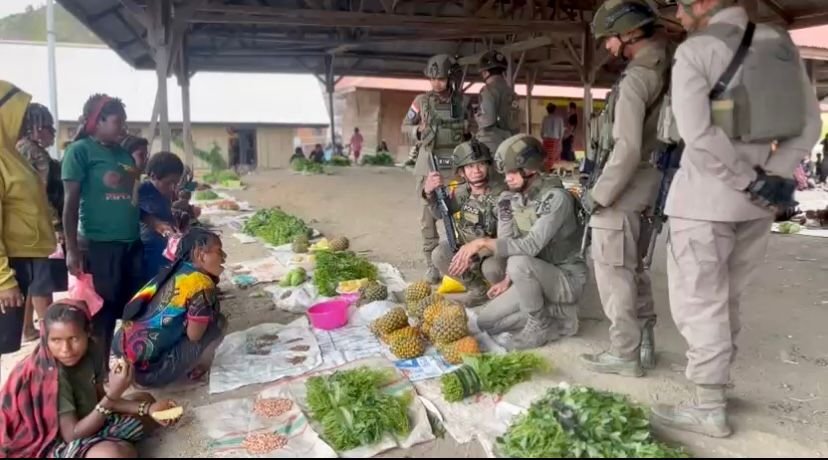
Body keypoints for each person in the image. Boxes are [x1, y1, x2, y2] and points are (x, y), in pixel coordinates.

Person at [650, 0, 822, 438]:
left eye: (683, 4)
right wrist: (772, 179)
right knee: (728, 299)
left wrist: (744, 179)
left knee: (700, 302)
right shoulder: (780, 46)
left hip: (704, 202)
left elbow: (699, 135)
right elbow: (808, 126)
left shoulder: (695, 51)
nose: (679, 12)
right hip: (759, 205)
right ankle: (719, 386)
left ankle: (708, 405)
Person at [578, 0, 671, 378]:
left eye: (610, 38)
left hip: (625, 187)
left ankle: (624, 353)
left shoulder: (636, 78)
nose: (607, 46)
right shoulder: (664, 63)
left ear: (630, 33)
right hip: (651, 183)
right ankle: (644, 340)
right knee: (634, 266)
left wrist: (598, 195)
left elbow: (627, 147)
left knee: (613, 269)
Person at [62, 93, 169, 372]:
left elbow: (131, 200)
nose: (123, 128)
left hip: (130, 243)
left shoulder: (122, 154)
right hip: (101, 245)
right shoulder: (80, 152)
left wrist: (154, 221)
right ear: (97, 122)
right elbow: (70, 204)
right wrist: (72, 249)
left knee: (134, 307)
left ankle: (131, 363)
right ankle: (99, 375)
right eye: (117, 122)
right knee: (104, 314)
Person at [453, 134, 587, 350]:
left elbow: (530, 246)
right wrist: (507, 280)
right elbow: (508, 241)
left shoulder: (557, 199)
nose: (507, 179)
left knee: (518, 263)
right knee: (487, 323)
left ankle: (540, 324)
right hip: (533, 275)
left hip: (566, 278)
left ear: (531, 169)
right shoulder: (513, 197)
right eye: (505, 173)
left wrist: (482, 243)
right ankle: (559, 315)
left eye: (513, 172)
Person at [0, 301, 179, 458]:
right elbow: (71, 434)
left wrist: (148, 409)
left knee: (147, 401)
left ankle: (111, 442)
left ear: (87, 332)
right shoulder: (50, 376)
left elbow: (99, 396)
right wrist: (114, 394)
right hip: (53, 440)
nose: (66, 349)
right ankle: (111, 445)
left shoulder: (92, 351)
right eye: (56, 340)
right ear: (45, 339)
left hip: (89, 419)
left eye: (74, 338)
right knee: (114, 454)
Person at [113, 228, 227, 388]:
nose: (224, 257)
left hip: (120, 349)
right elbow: (194, 336)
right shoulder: (200, 285)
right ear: (201, 255)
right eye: (219, 251)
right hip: (146, 373)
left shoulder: (175, 270)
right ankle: (196, 368)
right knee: (217, 323)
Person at [0, 82, 58, 377]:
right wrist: (3, 279)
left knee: (8, 340)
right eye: (17, 113)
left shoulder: (10, 153)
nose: (23, 121)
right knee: (4, 340)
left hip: (29, 252)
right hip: (12, 259)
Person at [402, 54, 470, 283]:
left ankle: (463, 259)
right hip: (429, 163)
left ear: (449, 77)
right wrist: (417, 133)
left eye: (440, 78)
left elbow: (476, 133)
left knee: (462, 212)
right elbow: (404, 127)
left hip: (457, 166)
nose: (436, 84)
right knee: (427, 217)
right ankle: (432, 264)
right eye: (432, 79)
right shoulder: (421, 101)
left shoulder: (463, 102)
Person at [423, 140, 506, 306]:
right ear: (461, 172)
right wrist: (429, 193)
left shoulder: (501, 196)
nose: (476, 171)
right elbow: (441, 212)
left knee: (493, 270)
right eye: (470, 166)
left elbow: (508, 241)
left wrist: (476, 254)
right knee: (439, 254)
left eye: (481, 164)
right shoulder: (462, 192)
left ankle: (507, 295)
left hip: (495, 253)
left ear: (488, 166)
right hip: (467, 250)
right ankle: (478, 291)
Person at [16, 103, 67, 343]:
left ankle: (26, 329)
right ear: (35, 128)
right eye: (49, 128)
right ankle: (50, 335)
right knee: (41, 283)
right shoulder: (32, 152)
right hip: (38, 227)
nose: (53, 133)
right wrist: (57, 227)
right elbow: (41, 194)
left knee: (28, 282)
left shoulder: (17, 149)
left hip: (24, 228)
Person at [139, 152, 185, 282]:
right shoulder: (143, 191)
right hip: (150, 250)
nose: (172, 188)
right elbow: (146, 216)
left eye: (176, 183)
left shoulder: (163, 191)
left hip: (165, 248)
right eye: (169, 183)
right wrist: (161, 226)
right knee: (154, 284)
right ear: (153, 176)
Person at [474, 50, 520, 154]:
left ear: (485, 72)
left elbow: (488, 121)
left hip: (492, 144)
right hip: (511, 142)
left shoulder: (487, 90)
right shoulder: (512, 93)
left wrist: (477, 116)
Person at [540, 103, 564, 171]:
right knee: (554, 156)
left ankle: (546, 170)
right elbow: (561, 131)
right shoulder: (559, 119)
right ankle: (553, 170)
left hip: (546, 140)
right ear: (555, 110)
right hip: (555, 140)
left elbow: (542, 131)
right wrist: (560, 141)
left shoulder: (545, 118)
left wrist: (543, 138)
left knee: (546, 156)